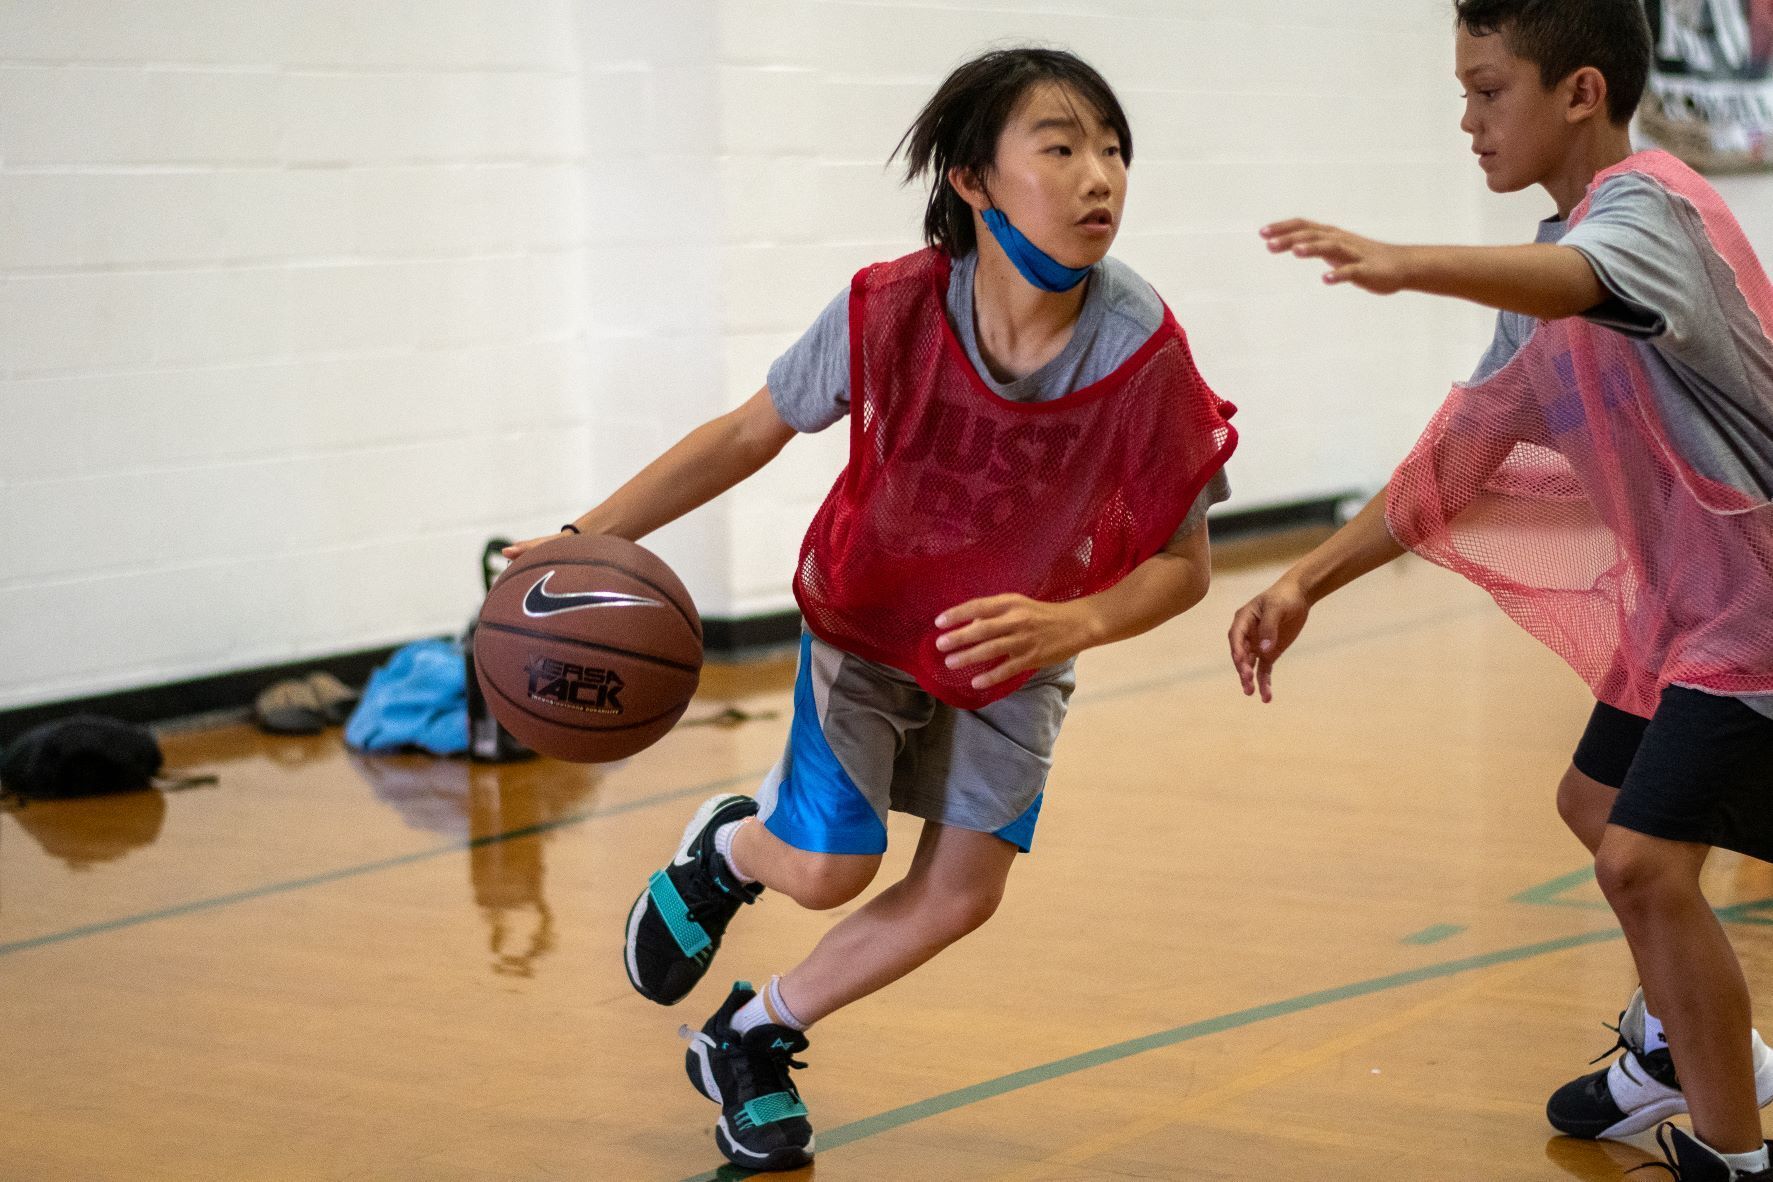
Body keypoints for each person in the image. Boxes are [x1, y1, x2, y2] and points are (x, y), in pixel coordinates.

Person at [505, 46, 1236, 1172]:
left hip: (1018, 651)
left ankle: (750, 1039)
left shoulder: (1143, 351)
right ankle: (731, 853)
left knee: (959, 898)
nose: (1101, 176)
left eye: (1114, 149)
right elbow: (750, 431)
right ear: (973, 182)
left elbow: (1185, 565)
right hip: (868, 621)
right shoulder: (891, 308)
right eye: (1061, 146)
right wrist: (588, 537)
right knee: (829, 869)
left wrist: (1076, 623)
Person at [1228, 2, 1773, 1177]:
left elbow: (1575, 277)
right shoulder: (1557, 269)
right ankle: (1686, 1044)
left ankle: (1737, 1153)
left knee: (1642, 860)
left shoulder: (1654, 214)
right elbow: (1458, 459)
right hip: (1697, 615)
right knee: (1596, 808)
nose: (1466, 120)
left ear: (1580, 92)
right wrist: (1305, 582)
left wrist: (1406, 263)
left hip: (1762, 615)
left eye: (1488, 91)